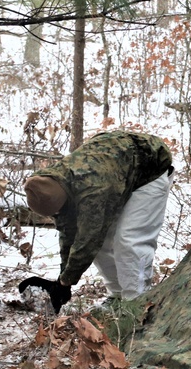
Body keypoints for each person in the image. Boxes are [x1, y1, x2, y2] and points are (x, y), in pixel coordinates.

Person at [19, 131, 173, 311]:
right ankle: (117, 296)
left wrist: (66, 282)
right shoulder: (55, 181)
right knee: (103, 241)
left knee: (128, 239)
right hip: (119, 171)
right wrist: (63, 277)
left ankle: (135, 303)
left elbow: (88, 240)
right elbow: (69, 231)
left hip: (150, 169)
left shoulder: (92, 190)